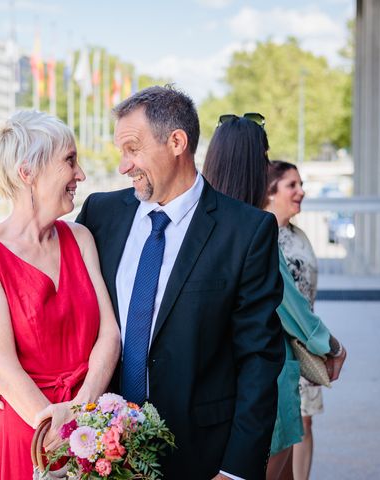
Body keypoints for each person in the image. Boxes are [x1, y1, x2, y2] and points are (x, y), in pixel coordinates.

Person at [76, 85, 285, 480]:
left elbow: (259, 359)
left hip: (201, 456)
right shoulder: (100, 215)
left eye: (133, 149)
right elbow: (51, 288)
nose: (124, 166)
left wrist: (236, 470)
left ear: (177, 142)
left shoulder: (246, 231)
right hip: (103, 456)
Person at [0, 110, 121, 480]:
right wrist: (54, 429)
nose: (80, 174)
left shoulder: (80, 238)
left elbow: (109, 334)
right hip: (32, 432)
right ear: (27, 172)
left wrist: (82, 412)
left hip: (92, 426)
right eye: (69, 160)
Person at [202, 116, 346, 480]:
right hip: (266, 380)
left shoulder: (199, 223)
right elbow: (288, 302)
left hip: (211, 384)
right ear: (254, 165)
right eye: (263, 156)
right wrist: (330, 345)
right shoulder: (255, 226)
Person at [264, 160, 346, 480]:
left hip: (306, 343)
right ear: (270, 192)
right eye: (292, 185)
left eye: (301, 184)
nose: (301, 191)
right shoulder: (262, 234)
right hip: (286, 344)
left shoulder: (299, 235)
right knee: (293, 423)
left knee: (305, 421)